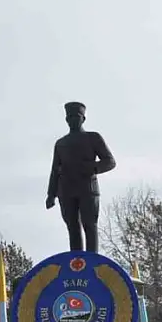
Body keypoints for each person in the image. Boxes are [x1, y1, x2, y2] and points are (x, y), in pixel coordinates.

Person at [44, 101, 116, 253]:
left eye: (76, 117)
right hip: (67, 190)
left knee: (89, 224)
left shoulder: (93, 138)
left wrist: (90, 168)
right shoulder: (61, 143)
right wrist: (51, 194)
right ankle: (76, 260)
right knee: (72, 227)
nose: (72, 120)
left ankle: (92, 259)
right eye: (69, 117)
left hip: (87, 188)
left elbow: (110, 161)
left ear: (83, 118)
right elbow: (55, 170)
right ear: (66, 120)